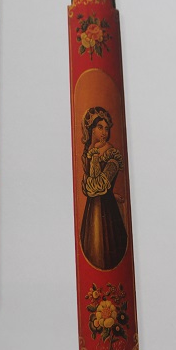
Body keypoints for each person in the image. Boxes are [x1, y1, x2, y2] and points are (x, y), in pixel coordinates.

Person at [79, 106, 127, 270]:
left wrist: (94, 159)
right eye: (100, 127)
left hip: (108, 214)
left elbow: (97, 186)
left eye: (106, 128)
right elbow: (88, 187)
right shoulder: (91, 152)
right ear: (92, 129)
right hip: (92, 213)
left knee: (106, 250)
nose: (104, 132)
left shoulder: (112, 155)